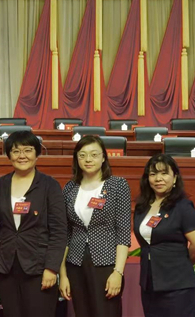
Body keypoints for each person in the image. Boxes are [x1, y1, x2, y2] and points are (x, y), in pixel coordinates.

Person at [0, 130, 67, 317]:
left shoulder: (49, 185)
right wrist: (4, 242)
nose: (22, 156)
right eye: (16, 151)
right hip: (7, 266)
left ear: (37, 153)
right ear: (8, 155)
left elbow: (59, 231)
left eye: (28, 150)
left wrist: (51, 268)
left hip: (39, 267)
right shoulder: (1, 185)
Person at [58, 135, 131, 317]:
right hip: (75, 263)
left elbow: (123, 233)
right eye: (82, 155)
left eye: (94, 154)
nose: (88, 159)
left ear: (104, 157)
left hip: (106, 263)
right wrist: (63, 274)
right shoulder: (70, 188)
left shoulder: (117, 185)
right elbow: (65, 233)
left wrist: (118, 272)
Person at [133, 154, 195, 317]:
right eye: (153, 174)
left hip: (177, 284)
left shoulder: (182, 206)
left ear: (175, 178)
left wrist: (183, 262)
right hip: (149, 284)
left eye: (164, 173)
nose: (158, 179)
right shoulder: (142, 207)